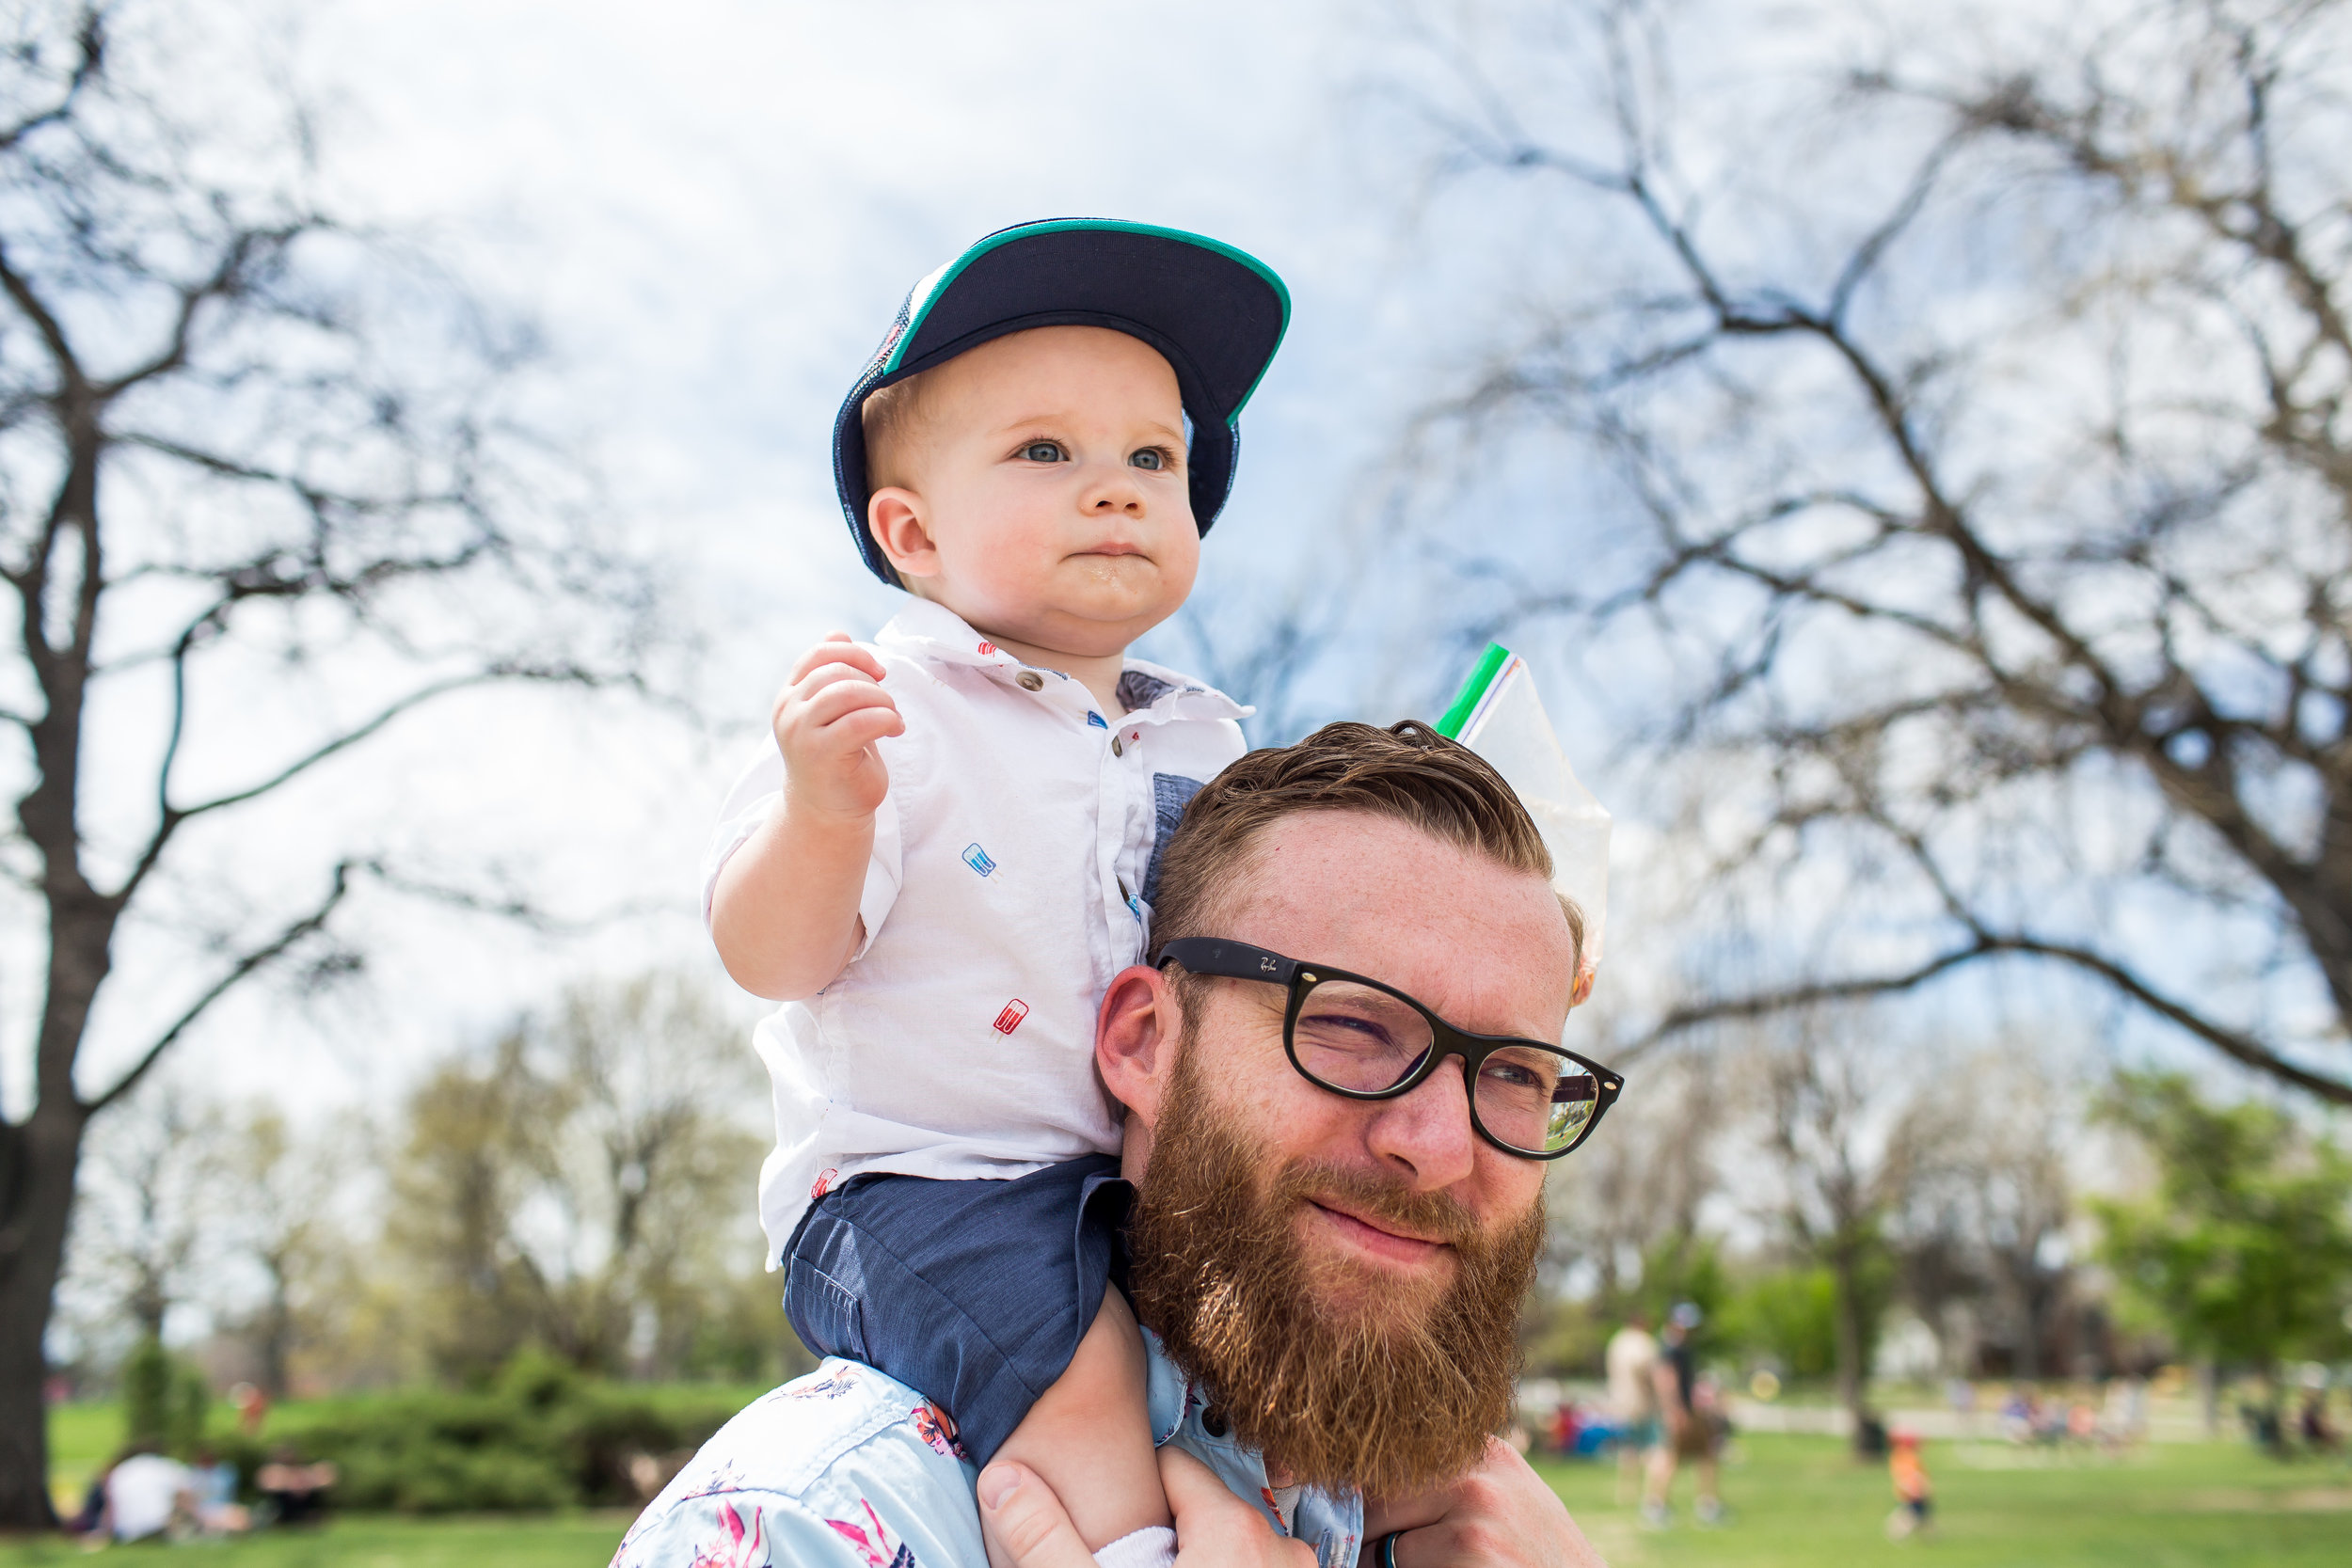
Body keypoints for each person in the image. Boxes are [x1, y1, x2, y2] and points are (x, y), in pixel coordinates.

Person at [625, 721, 1621, 1566]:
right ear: (1143, 1041)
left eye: (1514, 1074)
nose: (1442, 1145)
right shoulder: (809, 1524)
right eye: (1353, 1028)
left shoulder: (1489, 1542)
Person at [704, 217, 1287, 1568]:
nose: (1116, 487)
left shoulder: (1217, 742)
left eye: (1154, 455)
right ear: (911, 533)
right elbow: (771, 953)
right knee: (1083, 1378)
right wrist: (820, 814)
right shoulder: (885, 712)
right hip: (920, 1180)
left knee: (1295, 1349)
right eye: (1046, 450)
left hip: (1139, 1183)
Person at [1642, 1303, 1723, 1528]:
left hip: (1686, 1411)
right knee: (1671, 1457)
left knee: (1704, 1455)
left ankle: (1706, 1504)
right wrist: (1674, 1410)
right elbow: (1666, 1379)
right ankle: (1656, 1506)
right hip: (1679, 1413)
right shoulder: (1671, 1347)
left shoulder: (1678, 1345)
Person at [1602, 1311, 1660, 1504]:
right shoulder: (1643, 1342)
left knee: (1629, 1449)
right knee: (1652, 1447)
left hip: (1621, 1402)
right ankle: (1650, 1495)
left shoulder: (1616, 1342)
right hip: (1642, 1403)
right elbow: (1646, 1369)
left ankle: (1626, 1493)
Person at [1883, 1431, 1932, 1540]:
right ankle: (1898, 1533)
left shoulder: (1899, 1456)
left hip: (1912, 1491)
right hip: (1914, 1492)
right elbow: (1910, 1475)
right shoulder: (1907, 1457)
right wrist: (1917, 1488)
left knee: (1920, 1515)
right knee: (1913, 1514)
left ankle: (1927, 1536)